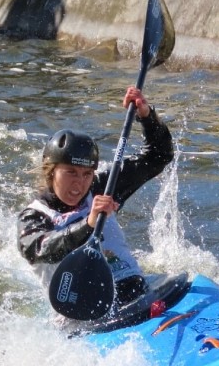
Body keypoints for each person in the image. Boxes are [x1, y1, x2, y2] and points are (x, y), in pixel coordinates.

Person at [17, 86, 174, 310]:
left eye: (86, 174)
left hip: (137, 295)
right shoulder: (33, 216)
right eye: (70, 172)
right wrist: (88, 224)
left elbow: (159, 156)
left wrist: (146, 116)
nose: (80, 183)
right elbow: (42, 249)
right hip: (83, 317)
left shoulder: (102, 187)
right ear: (51, 172)